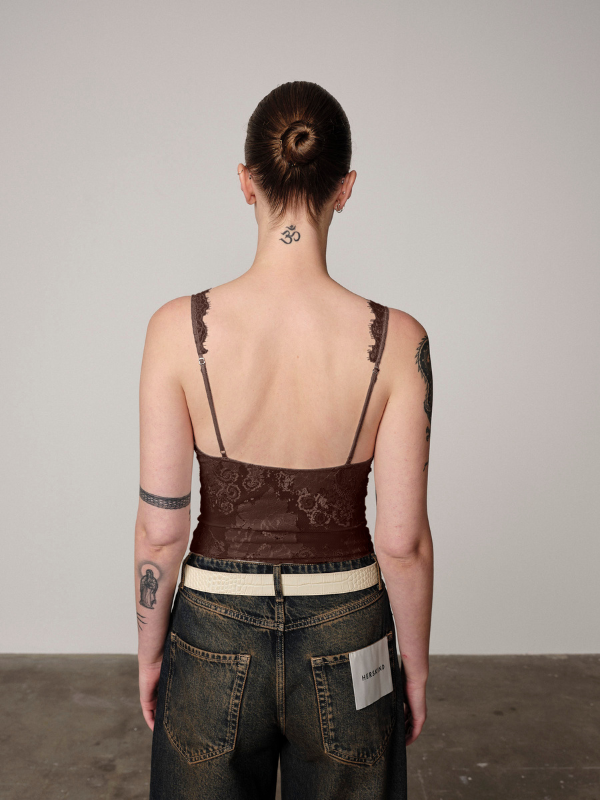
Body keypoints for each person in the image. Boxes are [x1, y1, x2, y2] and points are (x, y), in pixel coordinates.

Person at [135, 80, 434, 800]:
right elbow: (401, 543)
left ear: (246, 181)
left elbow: (160, 531)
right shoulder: (400, 342)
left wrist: (150, 654)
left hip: (212, 627)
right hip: (349, 628)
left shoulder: (176, 330)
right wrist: (416, 669)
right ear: (346, 188)